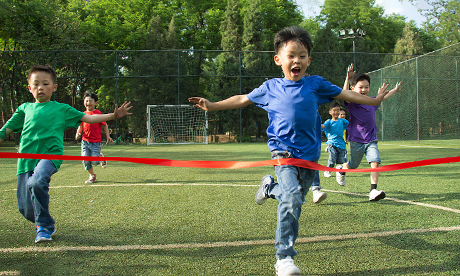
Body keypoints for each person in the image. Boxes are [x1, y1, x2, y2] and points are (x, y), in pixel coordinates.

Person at [189, 26, 390, 276]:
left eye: (302, 55)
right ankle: (284, 258)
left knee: (294, 198)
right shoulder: (270, 88)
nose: (297, 60)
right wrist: (212, 105)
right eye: (291, 55)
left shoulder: (316, 85)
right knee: (293, 197)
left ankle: (267, 187)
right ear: (278, 60)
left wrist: (374, 100)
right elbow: (243, 98)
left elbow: (345, 93)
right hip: (282, 153)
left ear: (308, 60)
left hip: (309, 157)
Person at [0, 65, 132, 243]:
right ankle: (45, 222)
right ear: (29, 88)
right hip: (25, 161)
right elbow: (6, 130)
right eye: (36, 84)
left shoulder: (61, 109)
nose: (41, 88)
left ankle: (42, 227)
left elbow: (89, 117)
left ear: (54, 87)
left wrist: (113, 116)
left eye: (45, 84)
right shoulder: (24, 109)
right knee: (25, 209)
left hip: (51, 155)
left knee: (37, 181)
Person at [341, 63, 402, 201]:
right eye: (360, 87)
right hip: (357, 141)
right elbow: (344, 94)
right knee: (353, 165)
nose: (364, 89)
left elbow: (383, 97)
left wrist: (394, 90)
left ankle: (373, 190)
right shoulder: (352, 102)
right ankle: (342, 169)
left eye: (366, 87)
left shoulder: (372, 101)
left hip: (371, 140)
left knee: (375, 162)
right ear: (353, 88)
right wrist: (348, 77)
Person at [75, 91, 114, 184]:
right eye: (86, 101)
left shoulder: (98, 113)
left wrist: (108, 136)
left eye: (90, 101)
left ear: (96, 103)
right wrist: (78, 133)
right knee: (85, 159)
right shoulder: (83, 114)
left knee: (94, 161)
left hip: (95, 142)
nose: (88, 103)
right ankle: (92, 175)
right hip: (85, 141)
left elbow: (105, 125)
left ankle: (100, 157)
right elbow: (80, 126)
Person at [322, 102, 349, 186]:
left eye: (338, 110)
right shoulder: (329, 122)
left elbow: (350, 125)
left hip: (341, 145)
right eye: (334, 110)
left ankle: (340, 175)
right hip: (331, 144)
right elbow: (323, 126)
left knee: (341, 162)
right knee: (332, 159)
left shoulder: (342, 121)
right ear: (330, 112)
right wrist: (317, 125)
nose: (336, 112)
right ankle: (327, 171)